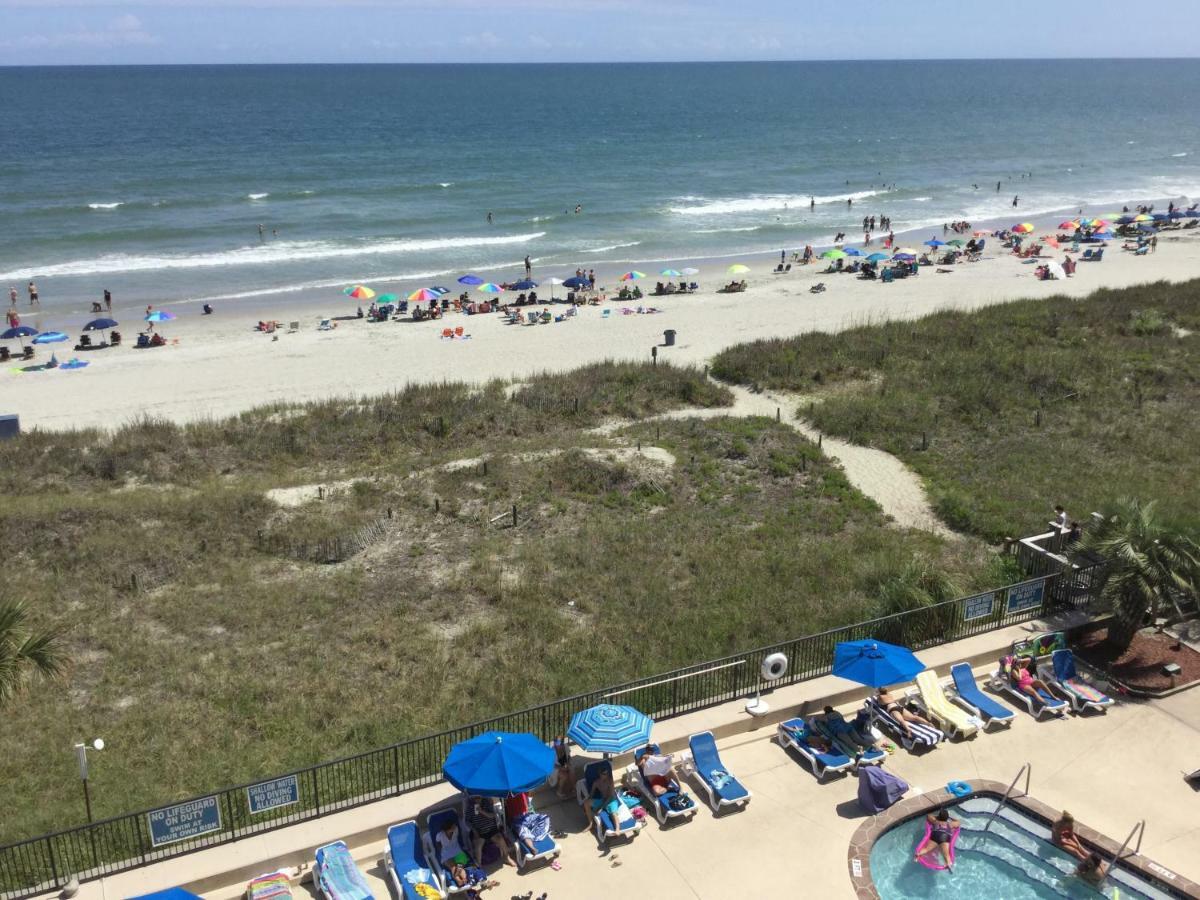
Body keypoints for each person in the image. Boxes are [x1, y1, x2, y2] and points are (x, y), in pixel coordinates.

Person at [433, 818, 492, 890]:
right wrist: (442, 853)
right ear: (448, 829)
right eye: (453, 826)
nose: (455, 827)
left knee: (460, 867)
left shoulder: (456, 830)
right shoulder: (439, 835)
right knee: (453, 867)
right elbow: (438, 847)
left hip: (457, 851)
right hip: (446, 853)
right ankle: (459, 881)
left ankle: (464, 880)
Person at [466, 796, 515, 867]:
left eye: (478, 798)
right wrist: (474, 831)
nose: (477, 800)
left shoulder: (487, 803)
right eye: (475, 798)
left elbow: (492, 815)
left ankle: (507, 858)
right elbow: (467, 821)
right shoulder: (470, 807)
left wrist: (481, 811)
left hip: (491, 829)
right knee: (478, 846)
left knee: (501, 840)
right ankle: (479, 865)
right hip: (480, 831)